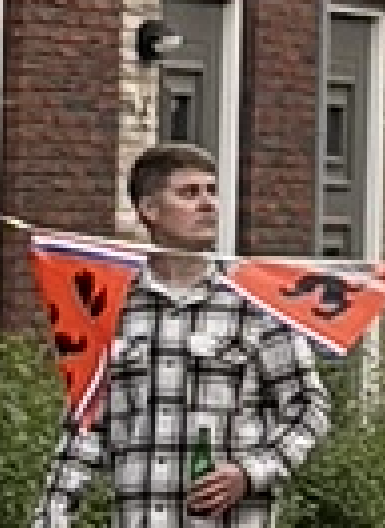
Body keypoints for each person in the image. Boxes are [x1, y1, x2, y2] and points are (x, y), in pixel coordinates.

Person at [36, 144, 333, 528]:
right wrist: (51, 518)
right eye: (189, 193)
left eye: (212, 191)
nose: (208, 204)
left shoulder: (256, 305)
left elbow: (309, 408)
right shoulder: (111, 308)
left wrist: (251, 472)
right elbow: (82, 432)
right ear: (149, 210)